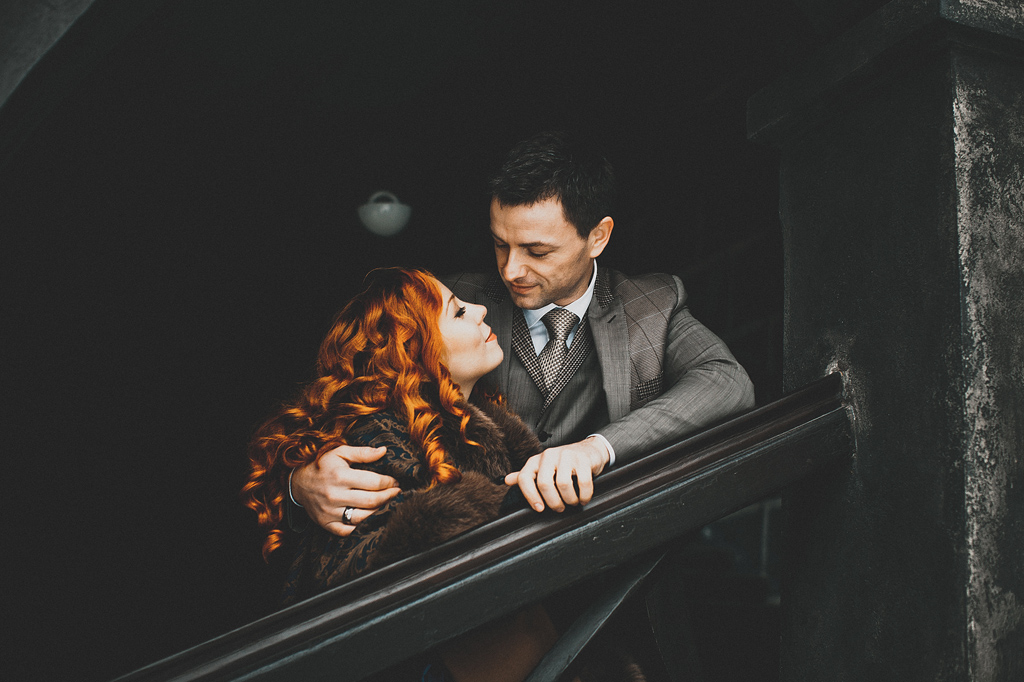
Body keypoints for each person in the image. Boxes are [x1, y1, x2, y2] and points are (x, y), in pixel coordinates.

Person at [289, 130, 755, 536]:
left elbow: (727, 382)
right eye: (500, 244)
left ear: (598, 237)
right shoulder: (451, 302)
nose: (512, 270)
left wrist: (597, 449)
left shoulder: (653, 305)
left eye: (537, 251)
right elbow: (348, 401)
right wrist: (300, 484)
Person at [243, 267, 559, 682]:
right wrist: (504, 504)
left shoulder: (483, 426)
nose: (481, 309)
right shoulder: (373, 443)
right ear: (415, 352)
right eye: (458, 312)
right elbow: (362, 583)